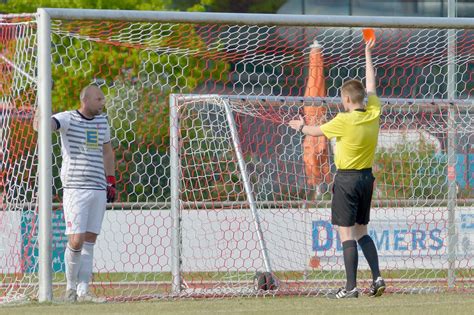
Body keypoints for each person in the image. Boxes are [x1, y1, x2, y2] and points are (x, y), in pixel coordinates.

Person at [289, 39, 385, 298]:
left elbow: (314, 130)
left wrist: (298, 125)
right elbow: (372, 83)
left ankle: (351, 287)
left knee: (346, 234)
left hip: (347, 180)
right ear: (362, 97)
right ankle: (377, 277)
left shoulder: (343, 120)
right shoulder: (373, 111)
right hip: (367, 178)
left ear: (345, 99)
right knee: (362, 230)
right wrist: (367, 52)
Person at [34, 85, 116, 302]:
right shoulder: (68, 118)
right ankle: (69, 288)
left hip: (98, 187)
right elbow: (41, 127)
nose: (102, 102)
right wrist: (41, 105)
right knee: (77, 240)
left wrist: (111, 180)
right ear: (85, 99)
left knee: (90, 240)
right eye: (99, 99)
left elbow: (107, 152)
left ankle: (83, 291)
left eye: (103, 99)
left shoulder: (102, 122)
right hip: (75, 188)